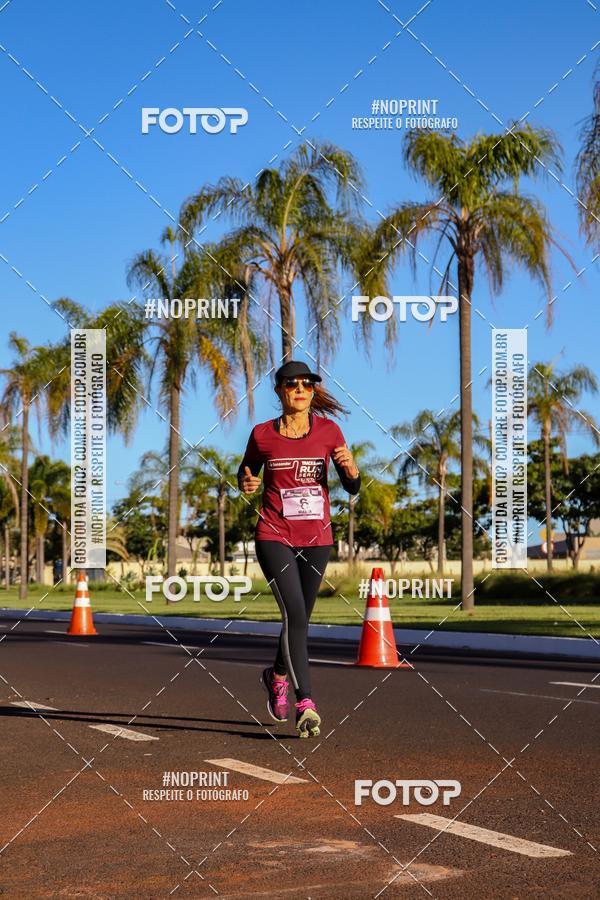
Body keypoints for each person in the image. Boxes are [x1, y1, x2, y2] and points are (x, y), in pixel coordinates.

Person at [237, 360, 361, 738]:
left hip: (318, 538)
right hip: (274, 534)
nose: (301, 389)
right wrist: (246, 483)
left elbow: (352, 487)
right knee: (295, 615)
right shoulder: (262, 435)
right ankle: (305, 701)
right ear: (280, 391)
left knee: (300, 619)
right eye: (293, 384)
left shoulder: (328, 431)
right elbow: (246, 471)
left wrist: (352, 470)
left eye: (307, 384)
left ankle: (275, 675)